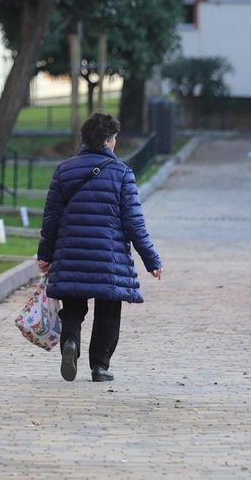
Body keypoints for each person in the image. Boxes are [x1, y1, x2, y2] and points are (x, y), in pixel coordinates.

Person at [36, 112, 162, 383]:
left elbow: (51, 219)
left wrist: (45, 255)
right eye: (114, 138)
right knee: (108, 311)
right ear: (108, 141)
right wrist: (152, 261)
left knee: (72, 307)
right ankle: (100, 366)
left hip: (70, 254)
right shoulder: (122, 174)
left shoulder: (64, 171)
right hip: (109, 257)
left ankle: (71, 342)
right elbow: (134, 223)